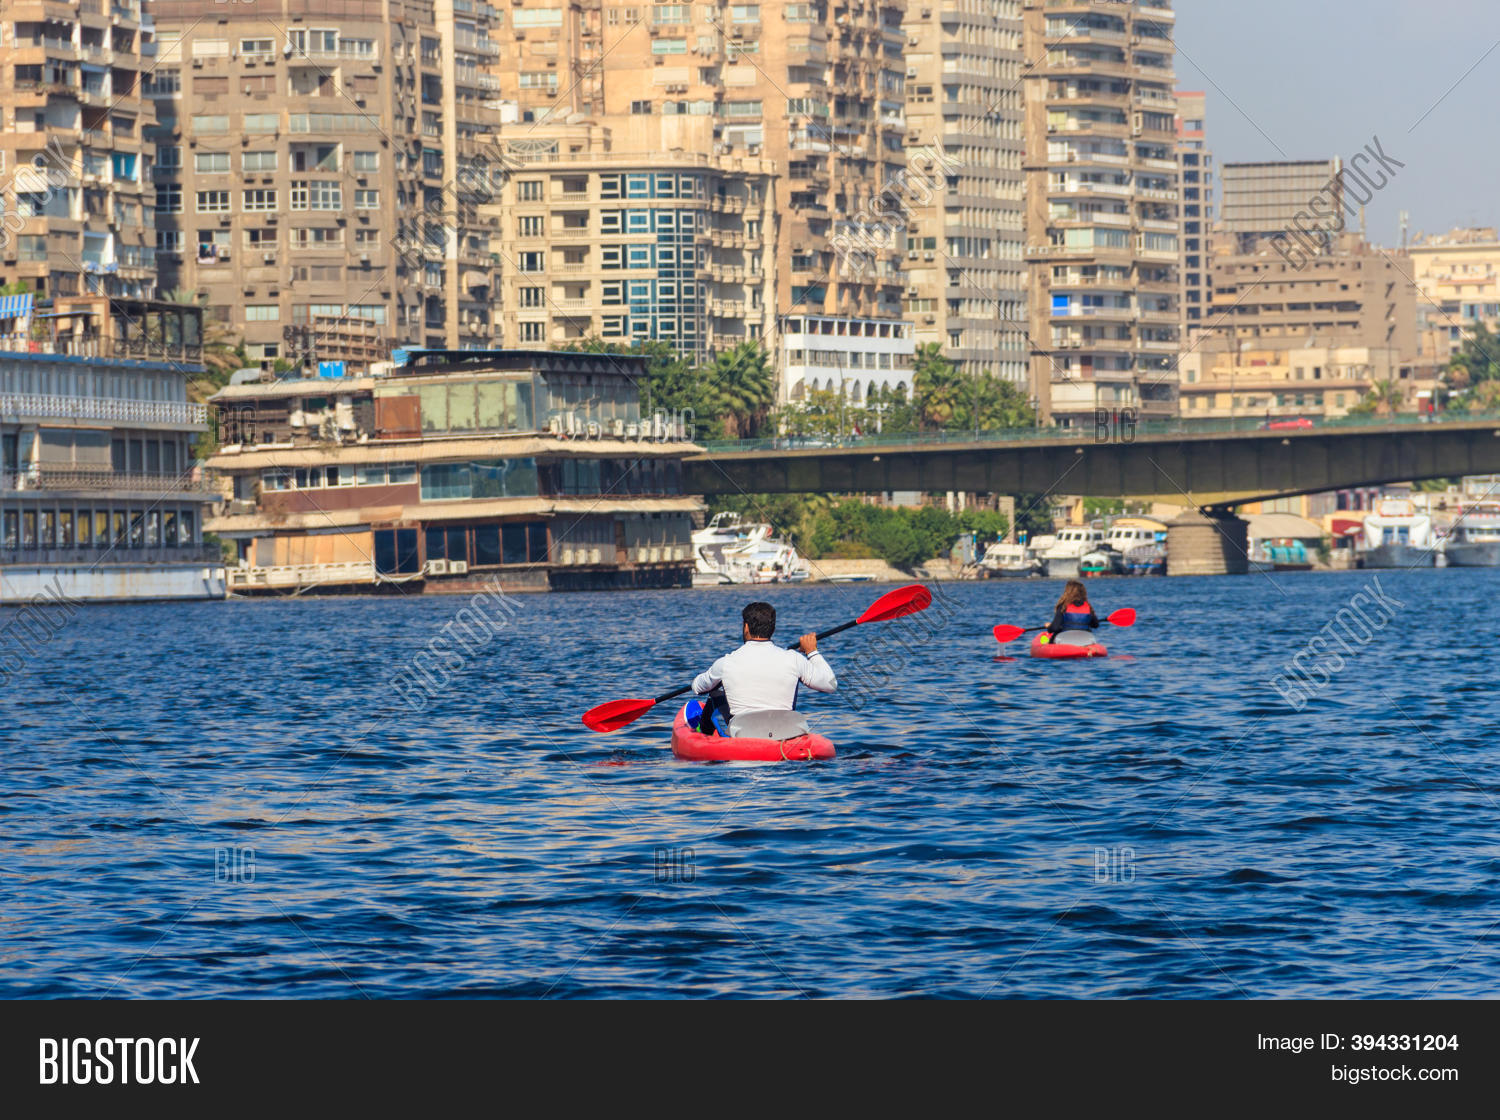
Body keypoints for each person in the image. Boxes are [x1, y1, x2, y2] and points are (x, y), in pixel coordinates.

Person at [689, 601, 836, 734]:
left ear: (746, 627)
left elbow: (697, 687)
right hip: (786, 732)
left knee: (715, 694)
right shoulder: (794, 659)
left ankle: (704, 736)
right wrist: (812, 652)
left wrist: (718, 682)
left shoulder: (725, 663)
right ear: (773, 628)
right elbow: (830, 685)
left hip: (744, 734)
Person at [1040, 579, 1099, 643]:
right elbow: (1095, 625)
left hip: (1065, 640)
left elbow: (1055, 628)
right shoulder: (1088, 607)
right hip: (1085, 641)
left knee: (1051, 638)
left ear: (1067, 592)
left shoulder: (1063, 606)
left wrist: (1049, 626)